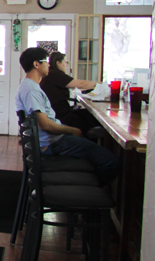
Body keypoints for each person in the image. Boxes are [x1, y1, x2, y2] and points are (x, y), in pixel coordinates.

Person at [15, 47, 120, 185]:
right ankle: (88, 194)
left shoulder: (29, 86)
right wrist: (71, 130)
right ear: (36, 64)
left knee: (91, 146)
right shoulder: (31, 90)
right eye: (45, 62)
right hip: (51, 143)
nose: (48, 65)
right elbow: (45, 125)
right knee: (111, 162)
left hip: (50, 139)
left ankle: (85, 189)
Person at [39, 51, 102, 136]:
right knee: (91, 120)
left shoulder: (51, 74)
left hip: (58, 112)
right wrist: (101, 85)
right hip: (59, 116)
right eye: (65, 62)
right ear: (58, 63)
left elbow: (79, 85)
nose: (66, 65)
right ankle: (90, 145)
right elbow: (81, 84)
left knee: (88, 115)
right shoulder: (55, 74)